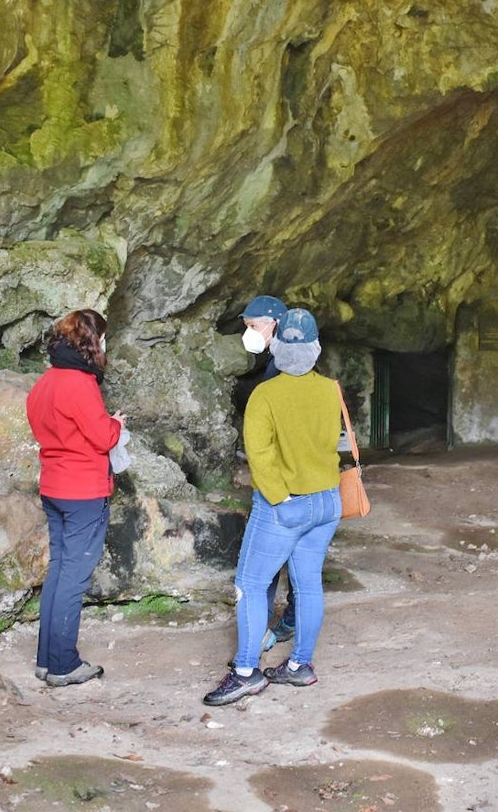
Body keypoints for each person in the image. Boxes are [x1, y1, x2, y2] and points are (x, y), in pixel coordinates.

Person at [204, 308, 342, 706]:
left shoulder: (265, 394)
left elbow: (260, 457)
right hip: (326, 502)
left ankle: (246, 672)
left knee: (250, 585)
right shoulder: (329, 390)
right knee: (309, 584)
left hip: (285, 504)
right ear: (316, 349)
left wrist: (280, 499)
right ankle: (300, 666)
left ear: (278, 346)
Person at [26, 309, 127, 687]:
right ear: (92, 341)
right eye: (103, 337)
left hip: (53, 486)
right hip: (83, 491)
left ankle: (46, 660)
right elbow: (103, 437)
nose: (105, 344)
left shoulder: (46, 382)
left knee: (59, 570)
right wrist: (117, 424)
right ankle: (64, 664)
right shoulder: (80, 383)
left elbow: (49, 426)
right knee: (74, 576)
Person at [239, 295, 297, 650]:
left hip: (281, 484)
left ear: (274, 323)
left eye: (253, 326)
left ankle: (256, 640)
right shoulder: (285, 364)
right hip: (301, 481)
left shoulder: (281, 370)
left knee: (266, 562)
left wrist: (274, 486)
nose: (249, 334)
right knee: (299, 562)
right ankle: (294, 624)